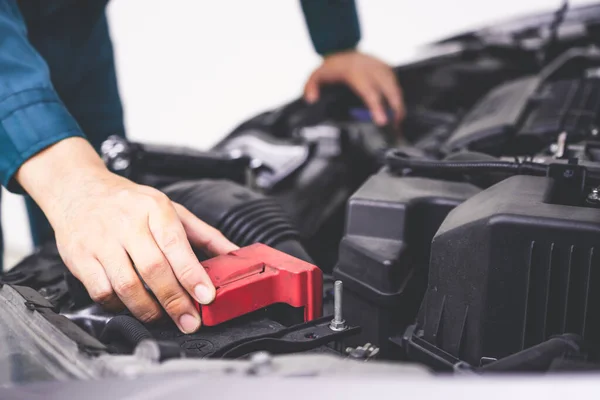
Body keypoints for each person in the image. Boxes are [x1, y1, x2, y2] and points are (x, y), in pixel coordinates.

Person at [0, 0, 404, 333]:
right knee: (81, 196)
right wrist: (76, 185)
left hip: (73, 26)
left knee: (104, 238)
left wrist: (339, 43)